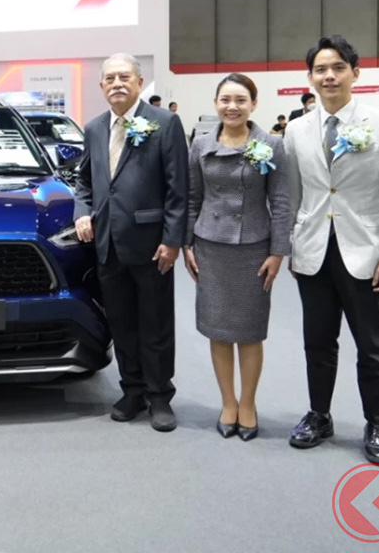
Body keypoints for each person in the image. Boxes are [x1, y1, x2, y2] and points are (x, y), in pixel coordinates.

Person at [283, 35, 379, 465]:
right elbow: (295, 195)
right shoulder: (297, 130)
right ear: (310, 78)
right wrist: (292, 246)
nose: (329, 76)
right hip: (314, 251)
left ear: (355, 73)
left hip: (368, 254)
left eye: (338, 67)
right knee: (317, 343)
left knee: (371, 347)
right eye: (321, 69)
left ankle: (376, 423)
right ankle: (319, 416)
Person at [73, 54, 188, 432]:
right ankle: (132, 390)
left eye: (124, 77)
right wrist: (82, 211)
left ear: (139, 82)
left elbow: (178, 188)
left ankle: (159, 395)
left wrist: (172, 240)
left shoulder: (165, 123)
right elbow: (84, 182)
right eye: (109, 78)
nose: (117, 83)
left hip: (152, 244)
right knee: (122, 324)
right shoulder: (94, 128)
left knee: (155, 324)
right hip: (108, 244)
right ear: (101, 86)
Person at [184, 74, 290, 442]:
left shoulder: (271, 145)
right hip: (210, 245)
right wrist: (186, 244)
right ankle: (228, 402)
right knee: (218, 329)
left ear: (254, 104)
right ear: (216, 104)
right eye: (225, 100)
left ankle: (248, 403)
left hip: (253, 247)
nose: (232, 107)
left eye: (241, 100)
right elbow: (193, 197)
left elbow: (280, 201)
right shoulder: (200, 144)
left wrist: (278, 252)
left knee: (249, 331)